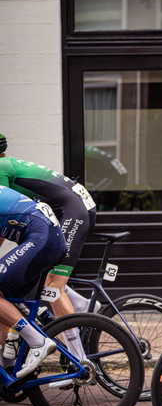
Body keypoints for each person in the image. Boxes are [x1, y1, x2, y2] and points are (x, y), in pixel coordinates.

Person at [0, 134, 98, 320]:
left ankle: (78, 349)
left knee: (52, 286)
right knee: (42, 268)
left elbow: (1, 217)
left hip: (74, 212)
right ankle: (82, 305)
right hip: (75, 209)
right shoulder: (7, 163)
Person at [0, 184, 68, 378]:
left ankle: (38, 342)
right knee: (5, 297)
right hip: (46, 237)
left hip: (42, 237)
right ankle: (8, 366)